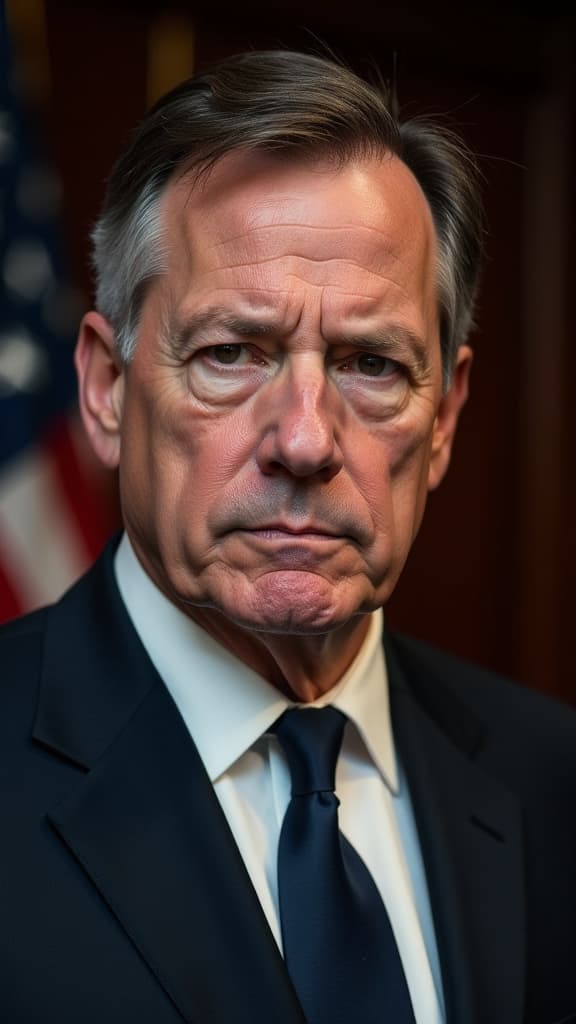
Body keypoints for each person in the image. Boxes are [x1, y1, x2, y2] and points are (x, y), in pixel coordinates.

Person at [2, 50, 575, 1024]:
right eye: (232, 352)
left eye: (371, 363)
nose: (306, 439)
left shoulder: (553, 779)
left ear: (444, 419)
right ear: (105, 386)